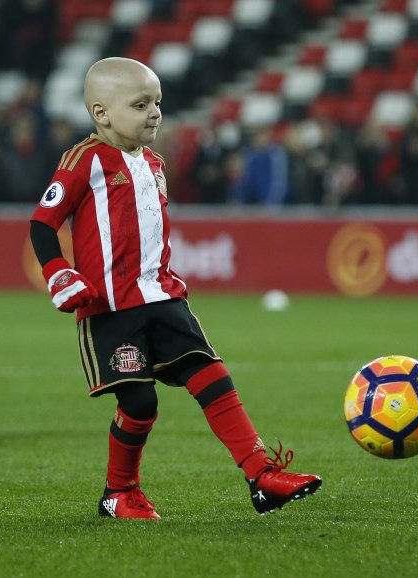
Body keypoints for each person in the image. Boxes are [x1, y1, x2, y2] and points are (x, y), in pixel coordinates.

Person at [28, 57, 321, 520]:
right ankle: (118, 492)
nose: (154, 113)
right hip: (110, 307)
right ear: (102, 114)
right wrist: (59, 273)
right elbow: (43, 224)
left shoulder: (156, 162)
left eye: (158, 103)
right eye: (141, 104)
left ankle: (261, 475)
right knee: (140, 401)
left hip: (164, 297)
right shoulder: (84, 160)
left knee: (211, 374)